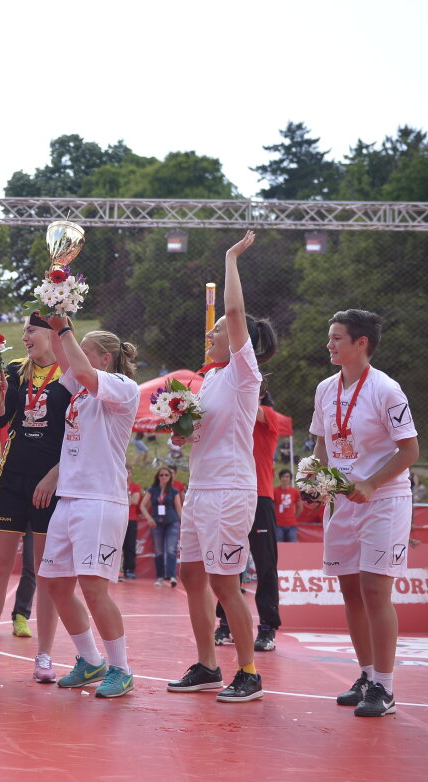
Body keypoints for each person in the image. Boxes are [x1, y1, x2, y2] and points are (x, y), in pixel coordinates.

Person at [167, 230, 276, 704]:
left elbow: (233, 313)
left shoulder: (242, 372)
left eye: (216, 333)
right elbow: (195, 434)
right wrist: (181, 430)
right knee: (192, 578)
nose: (211, 335)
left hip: (231, 490)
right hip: (201, 488)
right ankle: (208, 665)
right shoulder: (207, 383)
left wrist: (231, 258)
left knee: (225, 583)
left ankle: (248, 672)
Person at [311, 308, 419, 718]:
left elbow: (410, 451)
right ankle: (367, 675)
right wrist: (315, 479)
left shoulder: (387, 390)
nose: (329, 344)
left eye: (337, 337)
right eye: (330, 336)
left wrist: (372, 482)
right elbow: (322, 442)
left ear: (361, 343)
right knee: (350, 590)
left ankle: (386, 688)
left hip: (384, 500)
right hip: (341, 500)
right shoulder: (325, 389)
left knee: (375, 590)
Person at [38, 317, 141, 699]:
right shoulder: (80, 391)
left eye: (86, 347)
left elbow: (76, 364)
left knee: (94, 588)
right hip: (71, 497)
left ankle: (122, 669)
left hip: (100, 500)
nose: (77, 351)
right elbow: (66, 360)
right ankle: (91, 660)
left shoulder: (122, 387)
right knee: (54, 583)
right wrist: (52, 308)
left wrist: (64, 327)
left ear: (105, 357)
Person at [0, 314, 71, 683]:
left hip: (51, 483)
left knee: (46, 572)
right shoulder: (15, 368)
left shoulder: (72, 373)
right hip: (12, 477)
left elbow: (80, 433)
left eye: (31, 330)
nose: (24, 336)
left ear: (51, 333)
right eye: (25, 330)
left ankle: (45, 655)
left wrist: (56, 474)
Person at [215, 387, 283, 653]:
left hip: (260, 498)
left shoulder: (266, 414)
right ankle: (225, 622)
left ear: (261, 395)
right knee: (228, 562)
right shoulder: (233, 421)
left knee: (265, 565)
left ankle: (267, 628)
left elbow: (251, 410)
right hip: (232, 497)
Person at [139, 466, 182, 587]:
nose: (164, 477)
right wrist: (148, 518)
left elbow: (179, 509)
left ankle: (172, 576)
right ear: (158, 477)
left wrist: (183, 523)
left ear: (170, 477)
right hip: (156, 523)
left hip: (171, 522)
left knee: (171, 549)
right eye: (161, 475)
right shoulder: (152, 490)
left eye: (166, 475)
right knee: (158, 550)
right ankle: (159, 577)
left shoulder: (174, 491)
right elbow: (142, 506)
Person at [121, 466, 143, 580]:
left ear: (131, 474)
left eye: (128, 472)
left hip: (131, 519)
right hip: (118, 518)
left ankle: (129, 569)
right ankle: (116, 571)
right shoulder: (116, 484)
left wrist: (126, 493)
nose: (126, 474)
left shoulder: (135, 487)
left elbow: (134, 501)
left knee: (130, 545)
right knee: (117, 545)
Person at [274, 469, 300, 543]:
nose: (285, 478)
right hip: (278, 524)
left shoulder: (295, 492)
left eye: (287, 477)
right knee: (279, 547)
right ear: (280, 478)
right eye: (283, 476)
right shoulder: (274, 491)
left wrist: (294, 517)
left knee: (292, 548)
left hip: (292, 524)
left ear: (290, 479)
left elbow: (300, 508)